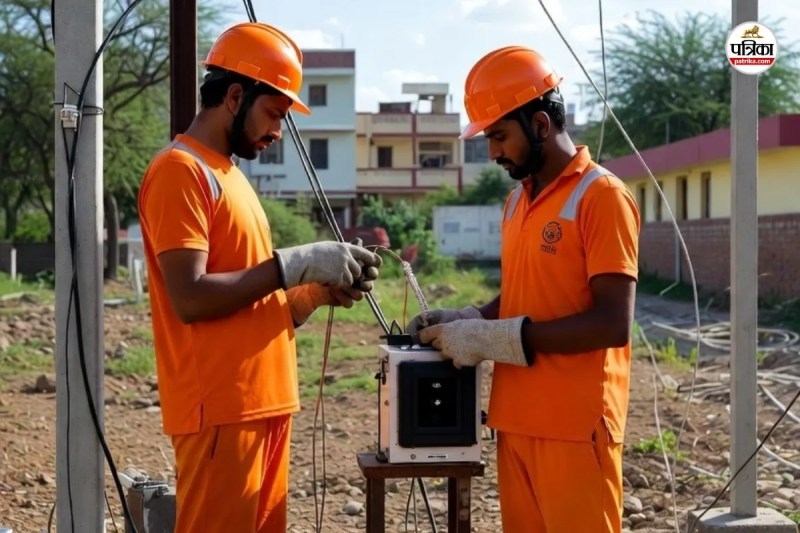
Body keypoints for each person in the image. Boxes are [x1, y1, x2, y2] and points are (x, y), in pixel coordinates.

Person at [137, 22, 382, 532]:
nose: (277, 131)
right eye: (274, 113)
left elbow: (256, 299)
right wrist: (292, 263)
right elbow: (191, 297)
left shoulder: (229, 175)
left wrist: (313, 292)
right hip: (222, 413)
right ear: (233, 96)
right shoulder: (181, 170)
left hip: (263, 405)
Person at [407, 46, 641, 533]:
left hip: (576, 430)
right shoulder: (517, 201)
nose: (492, 152)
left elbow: (612, 323)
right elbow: (521, 299)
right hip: (516, 421)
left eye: (498, 136)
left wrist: (498, 340)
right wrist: (471, 317)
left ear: (539, 124)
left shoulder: (602, 197)